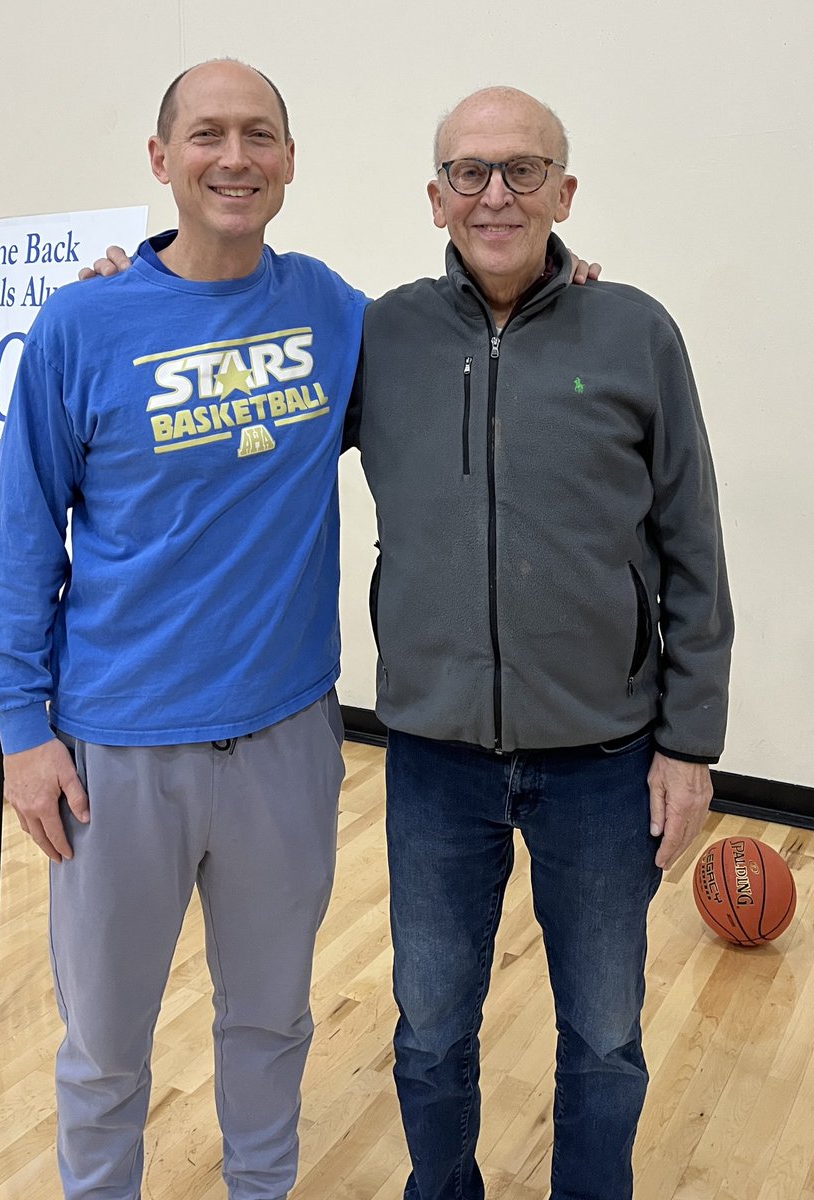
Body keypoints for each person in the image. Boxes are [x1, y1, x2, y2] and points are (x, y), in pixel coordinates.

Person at [0, 60, 368, 1200]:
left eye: (260, 135)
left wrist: (561, 285)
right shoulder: (84, 323)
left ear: (291, 162)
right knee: (104, 1054)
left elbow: (472, 353)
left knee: (271, 1025)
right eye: (207, 135)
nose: (234, 157)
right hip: (115, 756)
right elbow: (21, 530)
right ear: (162, 160)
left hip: (284, 742)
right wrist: (21, 729)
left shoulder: (334, 312)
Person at [343, 87, 734, 1200]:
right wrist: (136, 279)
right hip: (431, 757)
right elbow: (245, 385)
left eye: (523, 169)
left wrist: (689, 741)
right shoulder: (381, 336)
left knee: (605, 1038)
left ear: (565, 191)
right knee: (427, 1030)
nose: (495, 193)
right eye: (469, 172)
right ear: (433, 199)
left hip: (605, 764)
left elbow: (692, 546)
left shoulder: (636, 331)